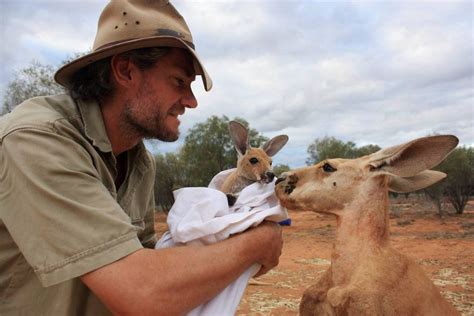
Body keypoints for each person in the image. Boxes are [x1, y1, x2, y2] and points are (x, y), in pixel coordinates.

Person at [0, 0, 283, 315]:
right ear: (125, 70)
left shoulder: (140, 161)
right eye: (179, 81)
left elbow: (148, 261)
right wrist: (255, 245)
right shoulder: (37, 140)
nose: (190, 101)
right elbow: (142, 292)